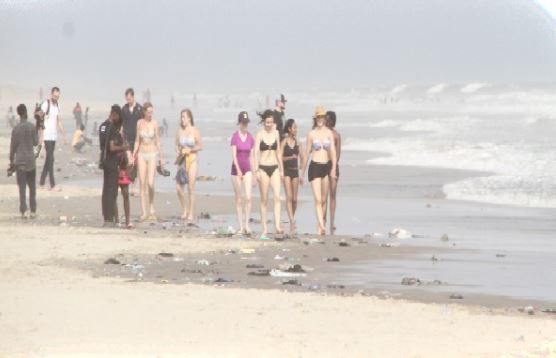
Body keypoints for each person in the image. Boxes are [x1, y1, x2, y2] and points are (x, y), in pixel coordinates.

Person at [300, 106, 337, 236]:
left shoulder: (329, 133)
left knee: (324, 199)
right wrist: (302, 173)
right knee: (317, 199)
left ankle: (320, 225)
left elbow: (332, 151)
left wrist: (333, 169)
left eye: (322, 117)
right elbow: (307, 153)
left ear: (324, 118)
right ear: (315, 119)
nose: (320, 119)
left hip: (326, 167)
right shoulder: (311, 134)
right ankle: (321, 225)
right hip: (315, 167)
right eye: (318, 117)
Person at [254, 109, 284, 237]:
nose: (269, 125)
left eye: (271, 122)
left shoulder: (276, 133)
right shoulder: (259, 134)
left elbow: (278, 153)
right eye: (267, 122)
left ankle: (277, 225)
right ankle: (264, 228)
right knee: (264, 199)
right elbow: (255, 153)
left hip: (275, 167)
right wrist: (256, 171)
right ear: (263, 122)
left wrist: (282, 169)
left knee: (277, 197)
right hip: (263, 168)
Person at [132, 102, 164, 221]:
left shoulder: (154, 123)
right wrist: (133, 154)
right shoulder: (139, 123)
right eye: (148, 112)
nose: (150, 114)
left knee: (150, 183)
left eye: (152, 112)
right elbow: (137, 140)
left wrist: (161, 157)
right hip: (141, 154)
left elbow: (158, 141)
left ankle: (151, 205)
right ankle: (144, 212)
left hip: (151, 154)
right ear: (144, 112)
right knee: (142, 182)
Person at [9, 104, 38, 218]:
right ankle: (33, 210)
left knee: (22, 188)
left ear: (18, 114)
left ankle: (23, 211)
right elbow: (35, 142)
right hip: (31, 161)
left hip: (20, 162)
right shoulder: (32, 127)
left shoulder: (15, 129)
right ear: (26, 112)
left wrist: (11, 161)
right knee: (32, 187)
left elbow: (13, 147)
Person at [101, 105, 129, 226]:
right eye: (118, 117)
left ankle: (106, 217)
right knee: (112, 191)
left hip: (104, 161)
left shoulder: (102, 126)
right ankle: (109, 219)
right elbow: (112, 147)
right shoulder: (112, 127)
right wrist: (124, 147)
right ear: (115, 114)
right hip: (112, 162)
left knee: (105, 190)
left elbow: (103, 145)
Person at [230, 111, 256, 236]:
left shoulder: (251, 138)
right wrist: (239, 170)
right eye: (242, 122)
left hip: (248, 170)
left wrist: (255, 174)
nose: (244, 124)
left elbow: (252, 157)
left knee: (249, 197)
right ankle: (240, 226)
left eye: (246, 122)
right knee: (239, 199)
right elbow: (234, 156)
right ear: (239, 123)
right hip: (236, 171)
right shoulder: (235, 136)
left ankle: (247, 225)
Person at [175, 108, 203, 222]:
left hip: (192, 159)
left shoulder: (194, 130)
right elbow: (176, 145)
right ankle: (184, 209)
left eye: (184, 117)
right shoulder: (179, 131)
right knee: (178, 187)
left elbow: (200, 146)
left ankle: (191, 213)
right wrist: (178, 151)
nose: (182, 119)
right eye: (181, 117)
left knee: (191, 187)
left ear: (189, 118)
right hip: (181, 160)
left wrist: (190, 150)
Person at [39, 86, 66, 191]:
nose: (56, 98)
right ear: (51, 94)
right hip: (46, 135)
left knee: (49, 159)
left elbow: (58, 120)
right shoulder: (46, 104)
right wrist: (41, 136)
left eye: (58, 96)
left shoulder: (57, 105)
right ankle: (52, 185)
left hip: (54, 136)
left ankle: (41, 183)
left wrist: (64, 134)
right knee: (51, 158)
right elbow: (40, 120)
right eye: (55, 96)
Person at [281, 118, 304, 234]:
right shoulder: (284, 142)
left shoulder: (298, 142)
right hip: (286, 172)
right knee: (289, 197)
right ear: (289, 129)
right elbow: (280, 157)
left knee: (295, 199)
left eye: (296, 127)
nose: (296, 129)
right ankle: (291, 220)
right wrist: (290, 157)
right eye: (294, 127)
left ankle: (292, 217)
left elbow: (303, 158)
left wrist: (302, 169)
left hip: (295, 172)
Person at [122, 88, 142, 195]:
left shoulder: (139, 108)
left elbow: (144, 123)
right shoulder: (124, 109)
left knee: (136, 163)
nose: (128, 100)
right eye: (126, 98)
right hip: (126, 139)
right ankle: (129, 185)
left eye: (129, 98)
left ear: (133, 97)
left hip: (137, 139)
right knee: (130, 161)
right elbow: (120, 124)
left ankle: (135, 188)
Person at [326, 111, 341, 234]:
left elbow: (338, 153)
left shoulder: (336, 135)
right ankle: (323, 219)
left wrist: (334, 167)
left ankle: (332, 220)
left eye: (328, 120)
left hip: (333, 165)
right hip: (322, 164)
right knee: (322, 195)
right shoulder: (322, 134)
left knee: (333, 194)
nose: (326, 121)